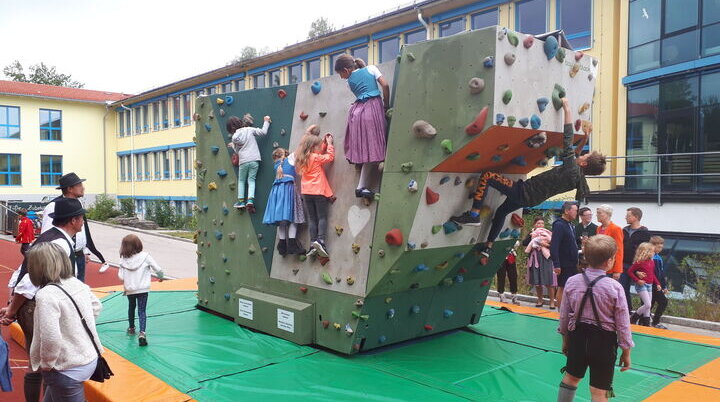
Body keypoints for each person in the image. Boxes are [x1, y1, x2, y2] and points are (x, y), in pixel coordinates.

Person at [451, 98, 607, 258]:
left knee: (487, 176)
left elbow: (568, 140)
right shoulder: (578, 177)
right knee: (501, 212)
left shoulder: (573, 169)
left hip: (523, 191)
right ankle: (488, 246)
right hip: (531, 199)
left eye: (586, 155)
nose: (582, 154)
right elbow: (575, 156)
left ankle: (474, 214)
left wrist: (567, 109)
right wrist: (585, 138)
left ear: (584, 164)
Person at [1, 197, 86, 402]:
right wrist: (12, 310)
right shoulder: (59, 244)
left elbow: (23, 271)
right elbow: (30, 280)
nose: (84, 222)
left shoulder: (54, 237)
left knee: (44, 362)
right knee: (44, 362)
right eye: (82, 218)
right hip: (36, 306)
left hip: (35, 304)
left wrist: (13, 306)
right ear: (73, 220)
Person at [557, 235, 634, 402]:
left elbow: (564, 316)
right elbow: (623, 324)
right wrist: (626, 351)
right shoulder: (615, 287)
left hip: (577, 337)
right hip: (603, 342)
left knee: (570, 377)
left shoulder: (572, 282)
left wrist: (565, 339)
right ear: (609, 261)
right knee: (599, 390)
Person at [27, 242, 103, 402]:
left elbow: (51, 338)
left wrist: (46, 365)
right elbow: (96, 306)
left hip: (67, 368)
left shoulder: (46, 294)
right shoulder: (76, 283)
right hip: (89, 357)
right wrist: (74, 328)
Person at [334, 54, 390, 200]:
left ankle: (361, 187)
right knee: (376, 145)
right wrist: (386, 104)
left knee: (368, 149)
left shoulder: (349, 82)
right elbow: (385, 85)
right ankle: (361, 187)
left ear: (346, 70)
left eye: (340, 74)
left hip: (357, 113)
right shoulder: (371, 69)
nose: (341, 77)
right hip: (372, 109)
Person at [41, 172, 109, 280]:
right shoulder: (54, 206)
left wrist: (85, 250)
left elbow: (82, 230)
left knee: (79, 289)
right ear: (70, 189)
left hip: (79, 255)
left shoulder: (78, 204)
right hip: (63, 257)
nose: (83, 188)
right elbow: (46, 235)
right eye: (79, 185)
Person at [118, 234, 164, 346]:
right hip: (143, 289)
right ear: (138, 244)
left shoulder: (124, 259)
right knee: (142, 310)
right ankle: (142, 333)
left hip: (130, 289)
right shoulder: (145, 256)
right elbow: (157, 268)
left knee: (131, 307)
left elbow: (121, 276)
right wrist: (161, 276)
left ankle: (131, 328)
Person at [296, 133, 335, 258]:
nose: (319, 148)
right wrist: (329, 144)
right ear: (313, 147)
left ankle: (313, 244)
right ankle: (321, 241)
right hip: (318, 191)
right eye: (318, 146)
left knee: (312, 219)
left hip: (306, 193)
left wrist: (322, 143)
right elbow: (329, 157)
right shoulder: (316, 158)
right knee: (322, 217)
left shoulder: (302, 158)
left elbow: (318, 153)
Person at [262, 147, 306, 256]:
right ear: (285, 154)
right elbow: (301, 148)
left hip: (276, 192)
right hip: (288, 190)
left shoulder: (276, 165)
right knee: (294, 218)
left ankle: (282, 245)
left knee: (281, 220)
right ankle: (291, 244)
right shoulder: (290, 159)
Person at [227, 114, 271, 212]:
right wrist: (266, 121)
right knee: (251, 180)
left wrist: (233, 146)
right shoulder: (249, 129)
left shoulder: (234, 138)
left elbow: (238, 151)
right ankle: (250, 200)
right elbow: (263, 132)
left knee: (242, 181)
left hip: (243, 161)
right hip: (254, 159)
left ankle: (241, 201)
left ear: (231, 129)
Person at [620, 207, 652, 313]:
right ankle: (627, 312)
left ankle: (644, 315)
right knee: (623, 289)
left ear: (636, 217)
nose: (626, 217)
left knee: (644, 289)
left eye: (628, 215)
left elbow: (645, 252)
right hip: (624, 264)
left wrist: (638, 268)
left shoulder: (644, 233)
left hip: (638, 266)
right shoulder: (624, 230)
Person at [551, 202, 579, 309]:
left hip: (572, 262)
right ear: (567, 211)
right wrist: (556, 264)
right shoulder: (559, 224)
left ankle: (569, 309)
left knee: (571, 286)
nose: (576, 213)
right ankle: (561, 311)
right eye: (575, 210)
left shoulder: (570, 224)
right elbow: (554, 245)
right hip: (564, 263)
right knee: (562, 286)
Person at [524, 216, 557, 308]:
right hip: (535, 258)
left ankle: (552, 301)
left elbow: (554, 245)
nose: (540, 225)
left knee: (549, 280)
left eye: (542, 223)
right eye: (538, 223)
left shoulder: (548, 233)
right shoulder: (532, 233)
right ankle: (540, 299)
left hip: (546, 258)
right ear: (534, 224)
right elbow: (524, 243)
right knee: (537, 280)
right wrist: (532, 236)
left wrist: (544, 244)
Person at [627, 243, 661, 327]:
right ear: (647, 252)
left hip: (650, 285)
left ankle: (646, 323)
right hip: (642, 285)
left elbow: (652, 274)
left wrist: (657, 283)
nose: (654, 253)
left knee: (648, 307)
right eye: (653, 251)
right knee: (648, 304)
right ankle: (634, 318)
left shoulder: (652, 262)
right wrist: (637, 280)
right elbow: (629, 271)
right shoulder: (639, 262)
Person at [595, 205, 624, 280]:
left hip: (609, 268)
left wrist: (617, 270)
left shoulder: (616, 229)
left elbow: (619, 250)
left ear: (608, 214)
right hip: (598, 265)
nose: (597, 215)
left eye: (599, 213)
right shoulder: (598, 228)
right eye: (597, 213)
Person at [648, 236, 669, 329]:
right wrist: (658, 284)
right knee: (661, 302)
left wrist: (664, 286)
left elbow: (661, 273)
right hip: (653, 285)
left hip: (658, 285)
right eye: (659, 247)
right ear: (652, 246)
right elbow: (654, 274)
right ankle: (654, 321)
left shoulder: (658, 258)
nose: (660, 249)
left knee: (650, 303)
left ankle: (647, 320)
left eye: (661, 247)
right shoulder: (652, 258)